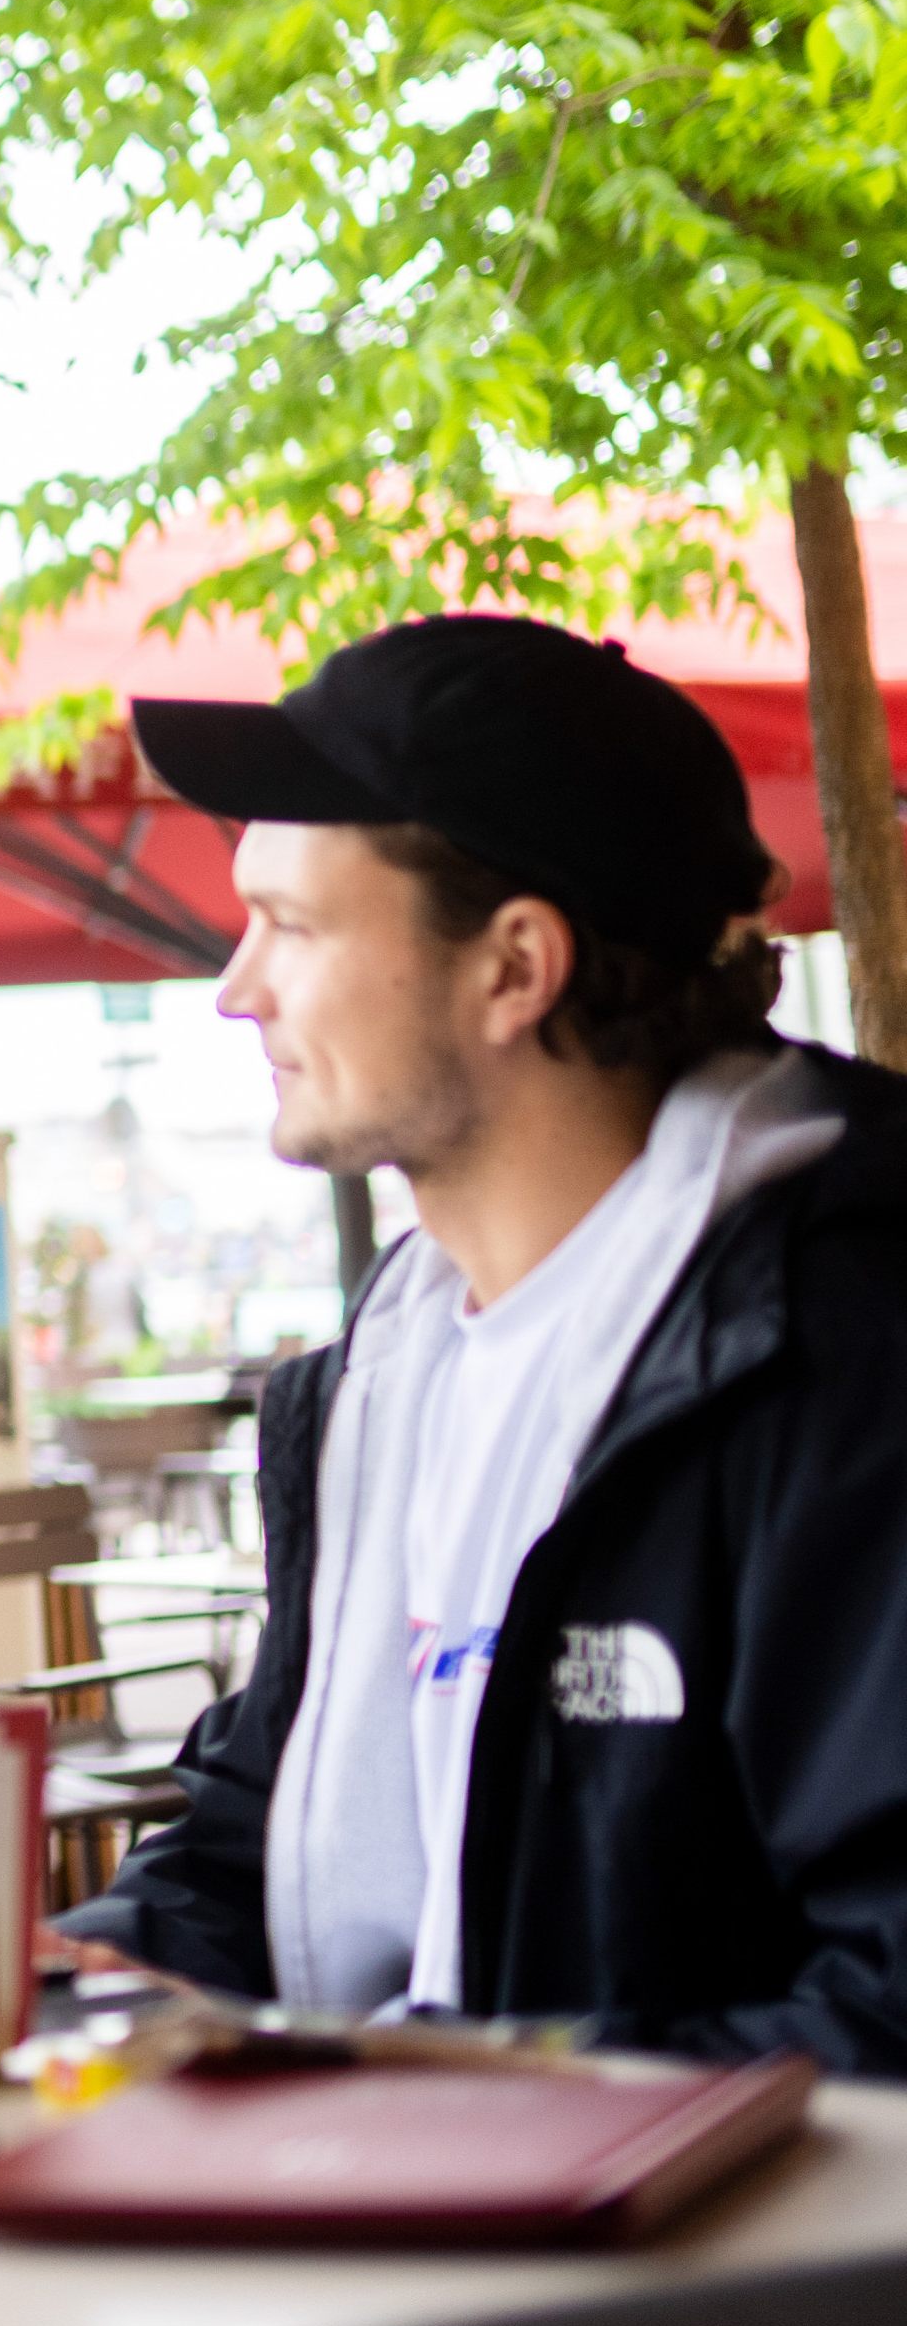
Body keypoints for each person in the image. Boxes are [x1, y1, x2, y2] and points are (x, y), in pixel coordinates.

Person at [59, 612, 907, 2075]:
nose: (236, 987)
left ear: (515, 966)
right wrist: (66, 1986)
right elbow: (264, 1825)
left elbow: (884, 2001)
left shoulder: (839, 1350)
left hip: (691, 2225)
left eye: (293, 926)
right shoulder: (389, 1369)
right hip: (411, 2191)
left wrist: (452, 2102)